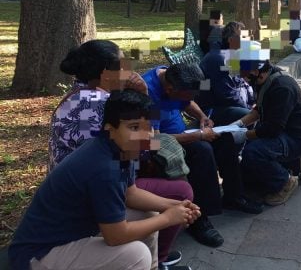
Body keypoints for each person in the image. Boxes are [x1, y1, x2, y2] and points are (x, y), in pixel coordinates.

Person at [10, 89, 200, 270]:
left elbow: (131, 193)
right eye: (134, 127)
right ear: (110, 128)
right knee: (137, 255)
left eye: (149, 127)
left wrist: (174, 205)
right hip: (39, 255)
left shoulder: (121, 148)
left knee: (148, 215)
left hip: (74, 232)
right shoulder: (104, 167)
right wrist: (168, 218)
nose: (145, 135)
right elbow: (115, 236)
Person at [47, 39, 193, 269]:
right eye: (123, 63)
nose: (129, 68)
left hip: (85, 185)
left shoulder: (80, 95)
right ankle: (159, 259)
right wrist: (145, 93)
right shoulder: (102, 104)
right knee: (180, 190)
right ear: (106, 72)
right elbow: (148, 145)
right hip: (92, 194)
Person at [142, 63, 262, 248]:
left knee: (224, 139)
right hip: (160, 145)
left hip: (181, 134)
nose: (191, 99)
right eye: (188, 95)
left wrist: (202, 116)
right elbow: (155, 139)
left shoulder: (172, 75)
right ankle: (199, 218)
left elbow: (187, 102)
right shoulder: (149, 93)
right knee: (202, 151)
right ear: (169, 89)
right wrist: (198, 136)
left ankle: (233, 195)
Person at [229, 59, 301, 206]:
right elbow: (259, 109)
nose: (243, 79)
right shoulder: (265, 80)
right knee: (248, 176)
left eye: (245, 75)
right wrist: (238, 124)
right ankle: (294, 163)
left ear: (257, 72)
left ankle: (285, 181)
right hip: (282, 131)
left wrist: (243, 135)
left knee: (253, 152)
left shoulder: (282, 87)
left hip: (294, 137)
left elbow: (272, 129)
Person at [197, 21, 254, 126]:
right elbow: (228, 96)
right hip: (212, 110)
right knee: (253, 116)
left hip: (230, 105)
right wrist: (249, 107)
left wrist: (253, 101)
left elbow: (242, 83)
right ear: (231, 40)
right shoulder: (218, 60)